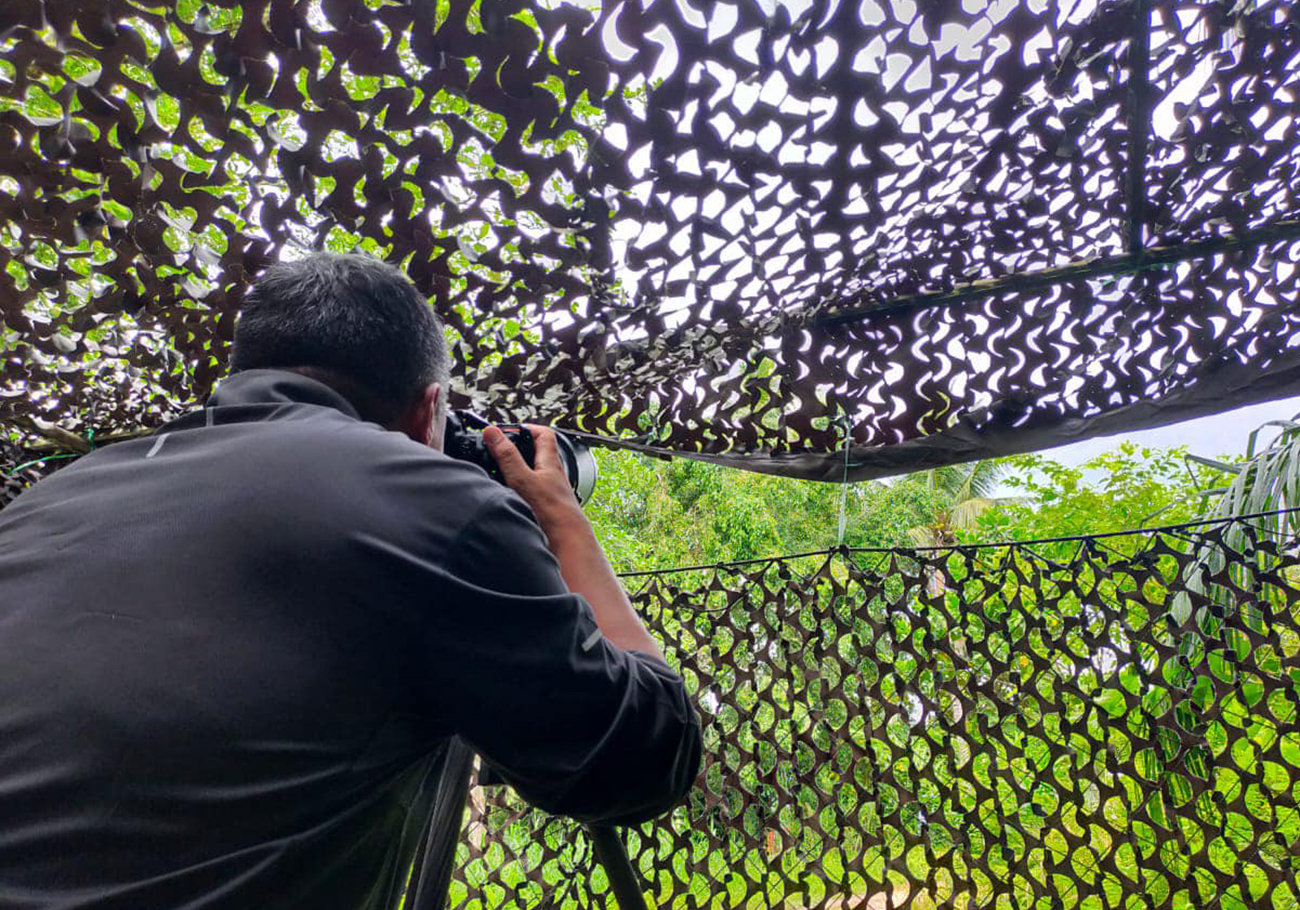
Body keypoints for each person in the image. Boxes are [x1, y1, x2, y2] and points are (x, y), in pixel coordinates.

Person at [0, 253, 701, 910]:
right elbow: (645, 759)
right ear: (428, 411)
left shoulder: (41, 505)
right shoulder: (432, 502)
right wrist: (562, 519)